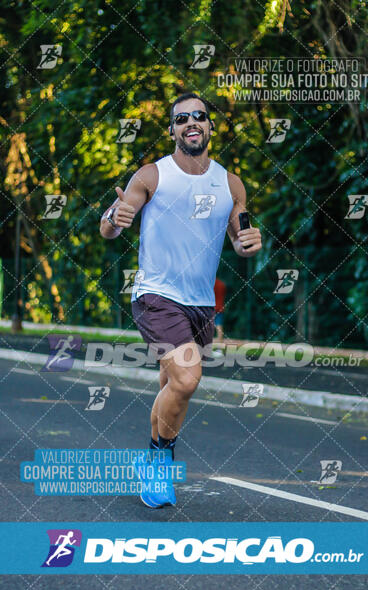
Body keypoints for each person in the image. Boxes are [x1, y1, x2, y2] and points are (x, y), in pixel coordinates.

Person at [100, 92, 262, 508]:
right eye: (182, 118)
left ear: (210, 126)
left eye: (200, 116)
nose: (192, 122)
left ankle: (153, 458)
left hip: (200, 303)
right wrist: (111, 220)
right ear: (172, 129)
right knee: (188, 380)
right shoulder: (152, 175)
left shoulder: (231, 184)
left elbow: (240, 239)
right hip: (156, 294)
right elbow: (115, 224)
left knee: (174, 384)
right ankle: (158, 463)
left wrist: (249, 243)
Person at [213, 278, 226, 344]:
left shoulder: (210, 283)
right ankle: (220, 348)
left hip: (211, 307)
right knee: (219, 326)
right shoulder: (222, 284)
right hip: (220, 307)